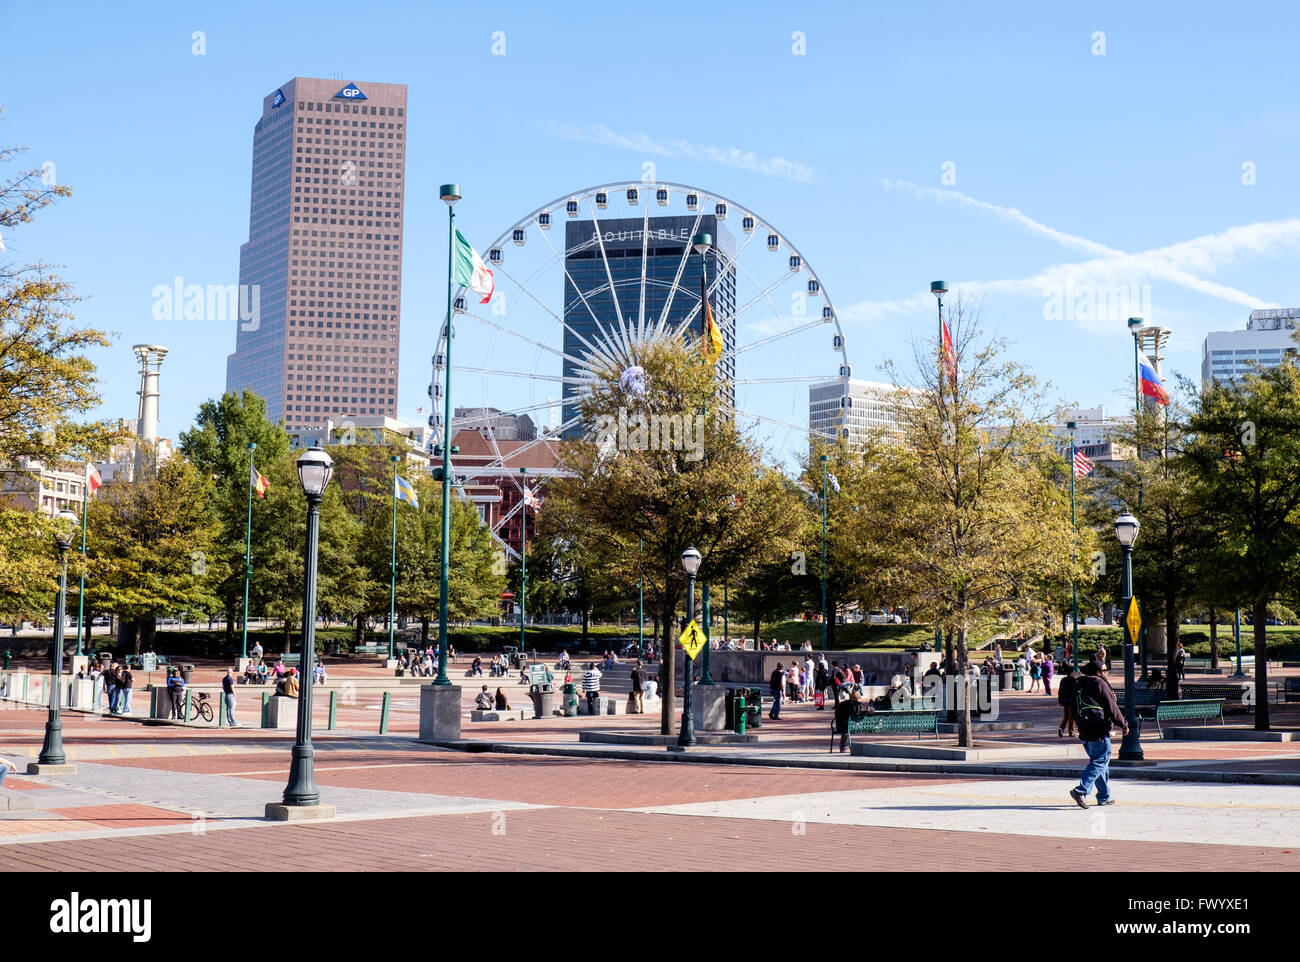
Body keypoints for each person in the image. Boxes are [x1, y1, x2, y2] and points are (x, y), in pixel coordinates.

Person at [1069, 661, 1127, 808]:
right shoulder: (1100, 683)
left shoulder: (1078, 684)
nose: (1107, 672)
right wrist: (1124, 725)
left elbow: (1073, 708)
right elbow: (1112, 708)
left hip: (1084, 730)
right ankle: (1081, 790)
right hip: (1099, 731)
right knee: (1100, 760)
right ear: (1098, 672)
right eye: (1105, 670)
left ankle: (1103, 796)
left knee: (1101, 764)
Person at [834, 688, 871, 753]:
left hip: (841, 726)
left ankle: (843, 747)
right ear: (857, 698)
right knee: (846, 728)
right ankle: (843, 746)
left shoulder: (842, 704)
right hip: (856, 726)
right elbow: (869, 709)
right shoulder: (859, 705)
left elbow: (836, 714)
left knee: (845, 729)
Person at [1056, 664, 1078, 737]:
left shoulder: (1063, 680)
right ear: (1072, 672)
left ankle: (1061, 728)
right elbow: (1075, 692)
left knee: (1066, 716)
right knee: (1071, 716)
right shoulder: (1074, 681)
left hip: (1064, 700)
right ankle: (1071, 731)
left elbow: (1060, 691)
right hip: (1071, 701)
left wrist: (1060, 700)